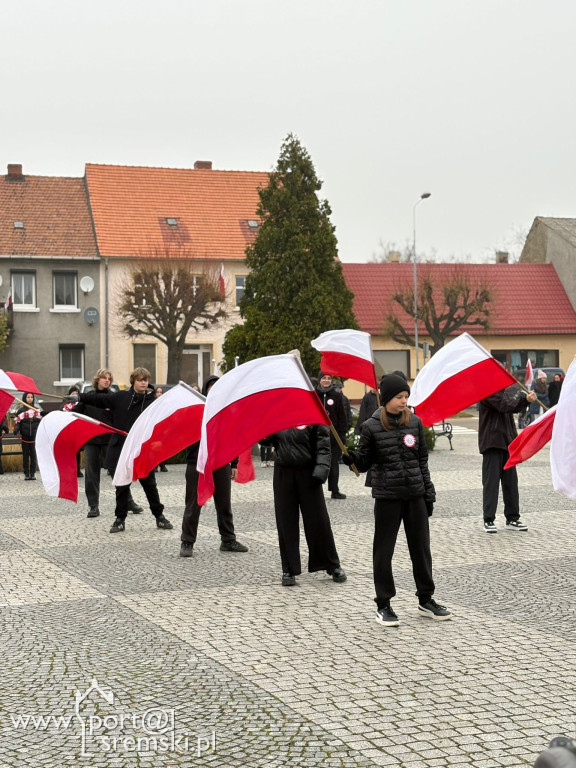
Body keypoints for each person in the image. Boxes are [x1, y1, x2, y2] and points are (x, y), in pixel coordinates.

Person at [343, 373, 451, 626]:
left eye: (406, 397)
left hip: (415, 495)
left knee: (421, 550)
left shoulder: (414, 422)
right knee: (384, 551)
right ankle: (384, 603)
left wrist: (429, 493)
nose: (404, 401)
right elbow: (365, 462)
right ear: (387, 397)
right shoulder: (370, 426)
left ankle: (426, 599)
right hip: (387, 497)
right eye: (399, 397)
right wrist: (351, 459)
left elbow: (422, 461)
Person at [76, 367, 172, 533]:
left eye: (146, 380)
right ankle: (120, 519)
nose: (144, 382)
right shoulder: (121, 397)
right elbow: (99, 399)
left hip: (141, 449)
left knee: (149, 485)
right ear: (133, 381)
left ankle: (159, 516)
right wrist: (80, 396)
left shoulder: (153, 403)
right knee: (121, 485)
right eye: (140, 379)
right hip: (120, 447)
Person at [262, 424, 347, 587]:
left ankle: (331, 564)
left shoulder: (311, 412)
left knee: (318, 521)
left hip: (309, 473)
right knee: (285, 522)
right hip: (283, 473)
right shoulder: (278, 413)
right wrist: (264, 433)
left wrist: (321, 472)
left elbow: (323, 446)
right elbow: (268, 441)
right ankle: (288, 569)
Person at [180, 375, 249, 557]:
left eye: (217, 386)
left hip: (221, 462)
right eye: (210, 386)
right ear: (206, 389)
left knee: (224, 503)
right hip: (197, 462)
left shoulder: (226, 411)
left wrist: (234, 463)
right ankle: (187, 541)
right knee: (193, 504)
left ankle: (228, 539)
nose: (213, 389)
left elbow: (233, 439)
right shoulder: (196, 410)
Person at [68, 369, 143, 518]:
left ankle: (128, 501)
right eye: (104, 378)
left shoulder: (113, 397)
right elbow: (75, 414)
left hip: (110, 440)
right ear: (97, 380)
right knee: (91, 474)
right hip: (91, 441)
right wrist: (67, 409)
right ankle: (93, 506)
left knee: (118, 471)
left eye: (109, 378)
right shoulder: (87, 398)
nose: (107, 380)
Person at [478, 384, 537, 533]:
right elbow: (504, 404)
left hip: (508, 443)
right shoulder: (486, 391)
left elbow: (513, 404)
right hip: (492, 443)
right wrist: (523, 398)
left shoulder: (505, 391)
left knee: (511, 483)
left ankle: (512, 518)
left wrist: (526, 399)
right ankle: (488, 519)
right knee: (491, 483)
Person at [316, 371, 348, 500]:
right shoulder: (314, 395)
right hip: (317, 434)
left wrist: (342, 433)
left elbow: (342, 415)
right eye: (324, 378)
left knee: (333, 463)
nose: (326, 380)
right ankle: (315, 489)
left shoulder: (336, 395)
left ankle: (334, 489)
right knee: (316, 462)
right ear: (319, 380)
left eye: (329, 378)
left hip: (333, 435)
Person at [14, 393, 42, 480]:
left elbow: (41, 422)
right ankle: (26, 472)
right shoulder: (21, 410)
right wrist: (16, 430)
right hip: (25, 436)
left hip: (34, 436)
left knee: (33, 455)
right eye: (28, 397)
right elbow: (18, 422)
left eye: (31, 397)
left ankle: (32, 472)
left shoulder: (36, 410)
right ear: (24, 398)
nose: (30, 399)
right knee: (25, 455)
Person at [66, 385, 84, 478]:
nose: (74, 395)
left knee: (77, 451)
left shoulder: (81, 404)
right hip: (69, 430)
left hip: (77, 430)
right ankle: (70, 469)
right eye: (73, 394)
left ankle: (77, 469)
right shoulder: (66, 405)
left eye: (76, 394)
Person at [153, 386, 169, 472]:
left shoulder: (165, 403)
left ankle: (162, 465)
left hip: (163, 427)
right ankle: (155, 465)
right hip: (155, 427)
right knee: (155, 446)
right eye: (157, 392)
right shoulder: (152, 403)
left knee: (162, 446)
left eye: (160, 392)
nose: (159, 394)